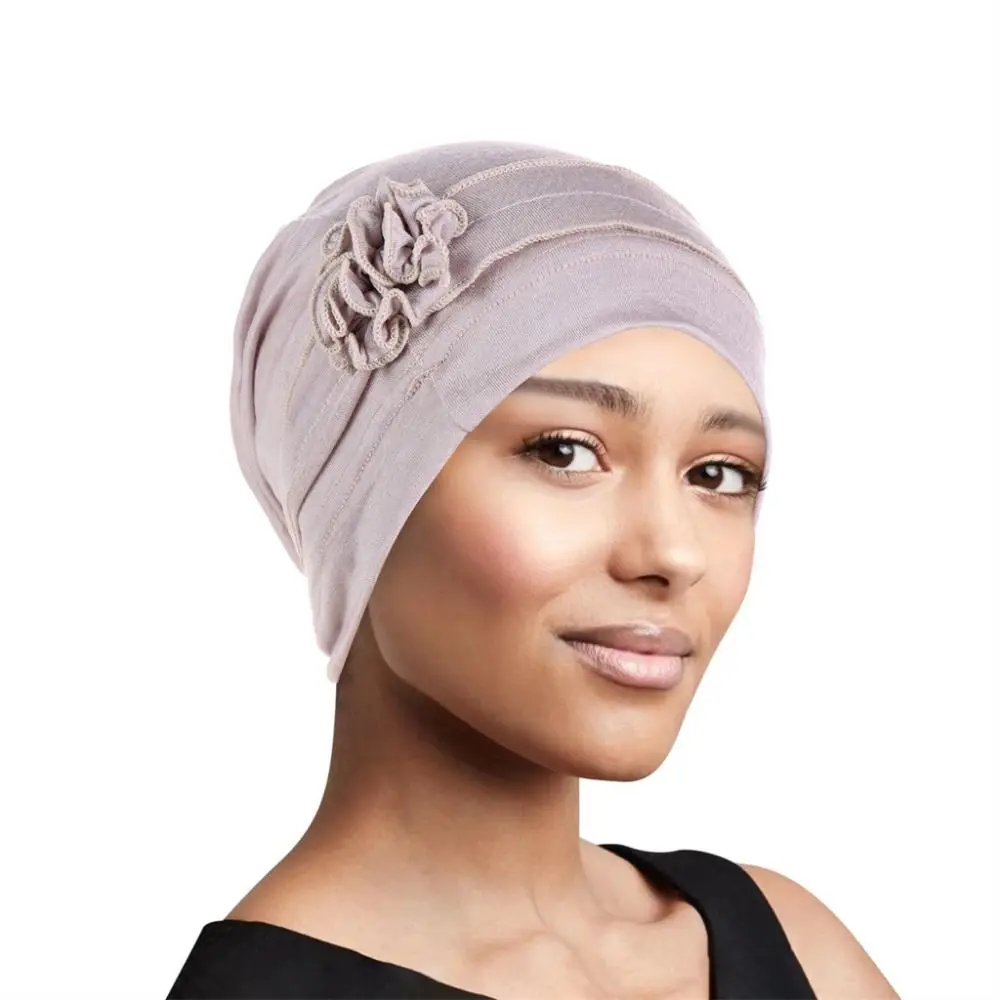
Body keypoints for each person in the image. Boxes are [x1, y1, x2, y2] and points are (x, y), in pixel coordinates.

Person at [166, 141, 898, 999]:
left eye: (718, 474)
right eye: (564, 452)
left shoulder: (792, 939)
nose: (674, 553)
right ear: (358, 499)